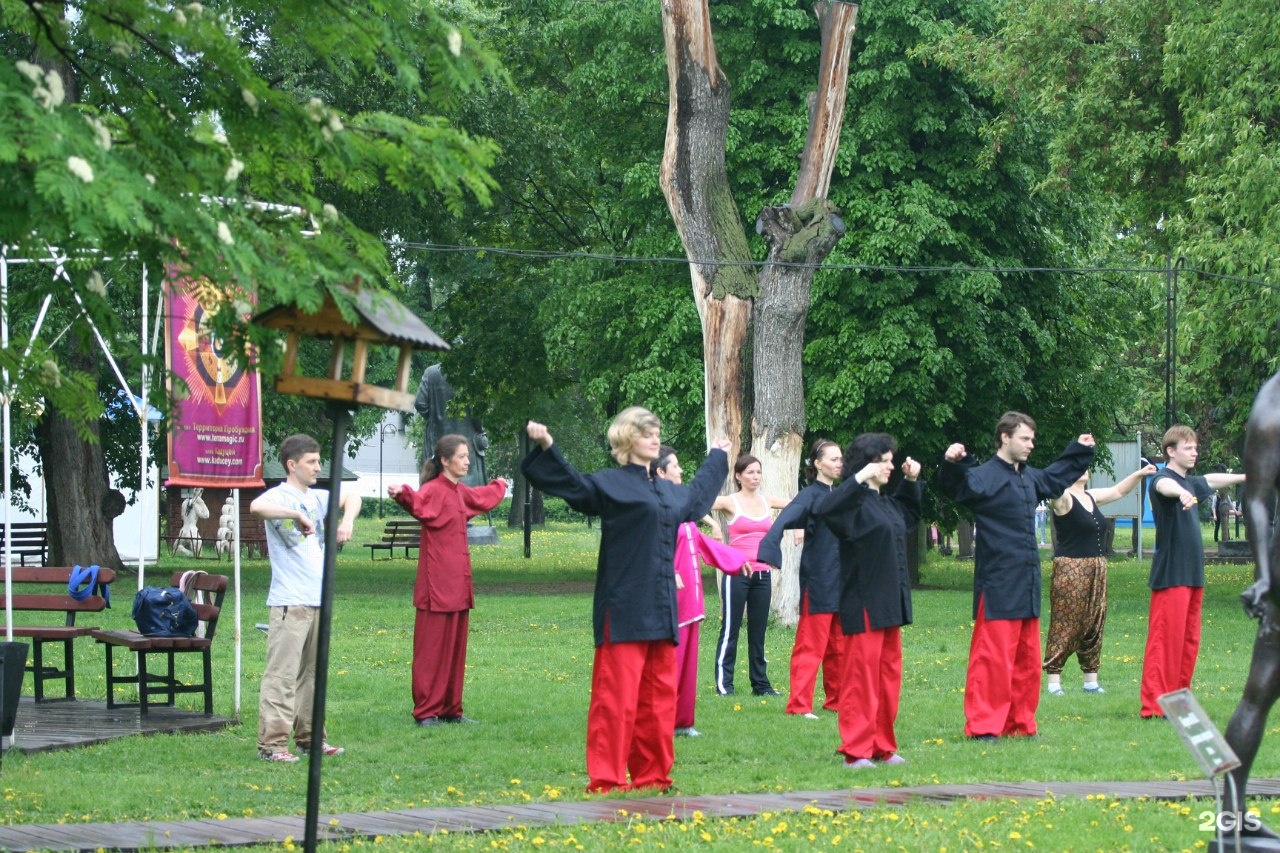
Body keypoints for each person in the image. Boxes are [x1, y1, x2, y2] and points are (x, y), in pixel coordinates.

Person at [522, 409, 730, 793]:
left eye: (657, 432)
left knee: (658, 700)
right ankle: (607, 778)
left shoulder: (667, 490)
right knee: (615, 701)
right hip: (623, 607)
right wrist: (547, 446)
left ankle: (653, 775)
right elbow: (572, 485)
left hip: (662, 605)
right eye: (646, 432)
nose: (654, 437)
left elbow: (698, 498)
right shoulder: (610, 485)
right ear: (626, 439)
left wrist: (718, 456)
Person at [938, 412, 1094, 740]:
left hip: (1027, 582)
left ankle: (1020, 723)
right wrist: (953, 462)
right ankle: (984, 726)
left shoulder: (1029, 477)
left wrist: (1078, 450)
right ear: (1005, 438)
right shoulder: (982, 476)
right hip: (997, 583)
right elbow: (955, 486)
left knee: (1026, 660)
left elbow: (1055, 477)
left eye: (1032, 440)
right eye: (1025, 438)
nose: (1031, 445)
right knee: (992, 660)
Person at [250, 434, 361, 763]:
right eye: (311, 462)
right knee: (282, 675)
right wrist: (294, 515)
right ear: (292, 465)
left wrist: (347, 521)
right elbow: (257, 507)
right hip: (290, 601)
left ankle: (310, 740)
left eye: (318, 460)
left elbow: (352, 497)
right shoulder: (278, 496)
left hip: (317, 600)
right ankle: (272, 745)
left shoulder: (317, 498)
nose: (317, 467)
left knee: (312, 676)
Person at [816, 433, 922, 768]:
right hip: (862, 601)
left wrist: (911, 480)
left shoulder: (885, 503)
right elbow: (826, 509)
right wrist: (857, 478)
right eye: (886, 460)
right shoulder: (851, 504)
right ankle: (856, 750)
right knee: (861, 680)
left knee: (887, 678)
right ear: (869, 463)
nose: (891, 465)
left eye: (892, 460)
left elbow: (909, 516)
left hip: (890, 603)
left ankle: (882, 746)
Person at [389, 434, 508, 727]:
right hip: (436, 585)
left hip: (458, 584)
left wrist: (500, 485)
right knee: (432, 651)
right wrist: (401, 492)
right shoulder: (433, 490)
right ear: (445, 460)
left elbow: (482, 497)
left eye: (468, 456)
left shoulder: (459, 491)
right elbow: (416, 503)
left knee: (455, 649)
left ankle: (451, 709)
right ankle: (427, 711)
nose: (467, 461)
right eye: (462, 456)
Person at [1140, 425, 1246, 718]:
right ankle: (1154, 706)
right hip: (1171, 575)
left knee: (1188, 642)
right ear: (1171, 451)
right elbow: (1164, 487)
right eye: (1188, 448)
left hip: (1193, 575)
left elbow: (1211, 479)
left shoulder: (1191, 481)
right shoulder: (1164, 479)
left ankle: (1179, 701)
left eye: (1195, 447)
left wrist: (1246, 476)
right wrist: (1181, 494)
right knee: (1165, 642)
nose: (1194, 452)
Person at [650, 446, 748, 738]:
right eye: (676, 466)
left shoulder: (682, 508)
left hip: (691, 600)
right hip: (669, 600)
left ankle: (682, 722)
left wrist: (736, 560)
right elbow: (647, 546)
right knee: (670, 665)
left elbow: (700, 544)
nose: (681, 471)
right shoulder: (655, 507)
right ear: (660, 472)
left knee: (688, 665)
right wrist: (667, 570)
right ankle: (660, 721)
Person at [1043, 462, 1157, 696]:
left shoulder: (1090, 497)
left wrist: (1139, 473)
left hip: (1097, 567)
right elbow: (1053, 494)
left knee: (1094, 621)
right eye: (1077, 465)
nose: (1083, 468)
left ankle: (1090, 682)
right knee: (1066, 623)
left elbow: (1118, 491)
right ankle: (1054, 682)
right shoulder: (1063, 498)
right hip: (1071, 569)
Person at [757, 439, 845, 718]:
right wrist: (769, 550)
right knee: (811, 645)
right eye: (833, 459)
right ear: (817, 464)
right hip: (818, 580)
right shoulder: (808, 496)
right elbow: (784, 521)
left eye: (840, 458)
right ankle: (799, 704)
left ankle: (837, 700)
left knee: (839, 645)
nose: (839, 463)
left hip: (843, 580)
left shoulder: (841, 494)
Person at [709, 455, 790, 696]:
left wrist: (800, 527)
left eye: (758, 472)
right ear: (738, 476)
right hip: (737, 574)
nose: (755, 477)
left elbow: (799, 506)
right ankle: (725, 685)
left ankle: (761, 685)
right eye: (750, 472)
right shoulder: (730, 502)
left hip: (763, 574)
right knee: (731, 629)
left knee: (758, 632)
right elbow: (696, 503)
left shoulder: (767, 501)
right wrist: (713, 525)